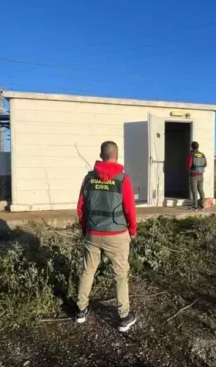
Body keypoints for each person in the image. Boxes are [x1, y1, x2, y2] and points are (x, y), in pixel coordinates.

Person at [75, 141, 138, 332]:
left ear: (101, 155)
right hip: (117, 235)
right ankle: (124, 316)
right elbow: (130, 209)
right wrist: (133, 230)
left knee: (87, 271)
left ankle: (80, 310)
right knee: (120, 276)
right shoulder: (123, 179)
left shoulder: (88, 179)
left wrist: (85, 230)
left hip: (93, 234)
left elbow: (81, 208)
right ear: (116, 156)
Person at [187, 141, 207, 210]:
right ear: (198, 147)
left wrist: (188, 168)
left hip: (193, 175)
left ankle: (195, 206)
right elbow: (205, 164)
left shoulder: (191, 155)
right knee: (201, 190)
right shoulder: (202, 155)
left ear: (192, 147)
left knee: (194, 191)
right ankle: (202, 205)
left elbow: (188, 165)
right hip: (201, 175)